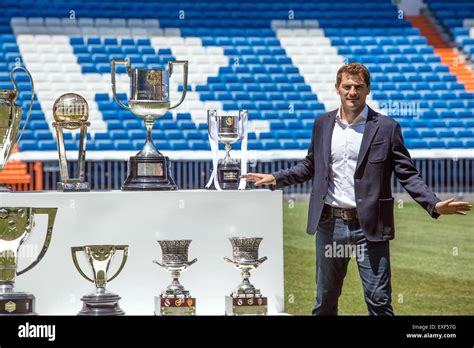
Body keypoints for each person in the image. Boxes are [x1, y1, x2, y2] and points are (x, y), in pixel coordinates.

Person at [241, 62, 472, 316]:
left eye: (358, 87)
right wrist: (276, 177)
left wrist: (434, 203)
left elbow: (407, 173)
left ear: (368, 90)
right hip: (329, 224)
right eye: (347, 86)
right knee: (325, 302)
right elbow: (310, 166)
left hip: (370, 227)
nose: (352, 92)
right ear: (337, 89)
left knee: (379, 302)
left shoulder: (387, 127)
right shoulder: (322, 124)